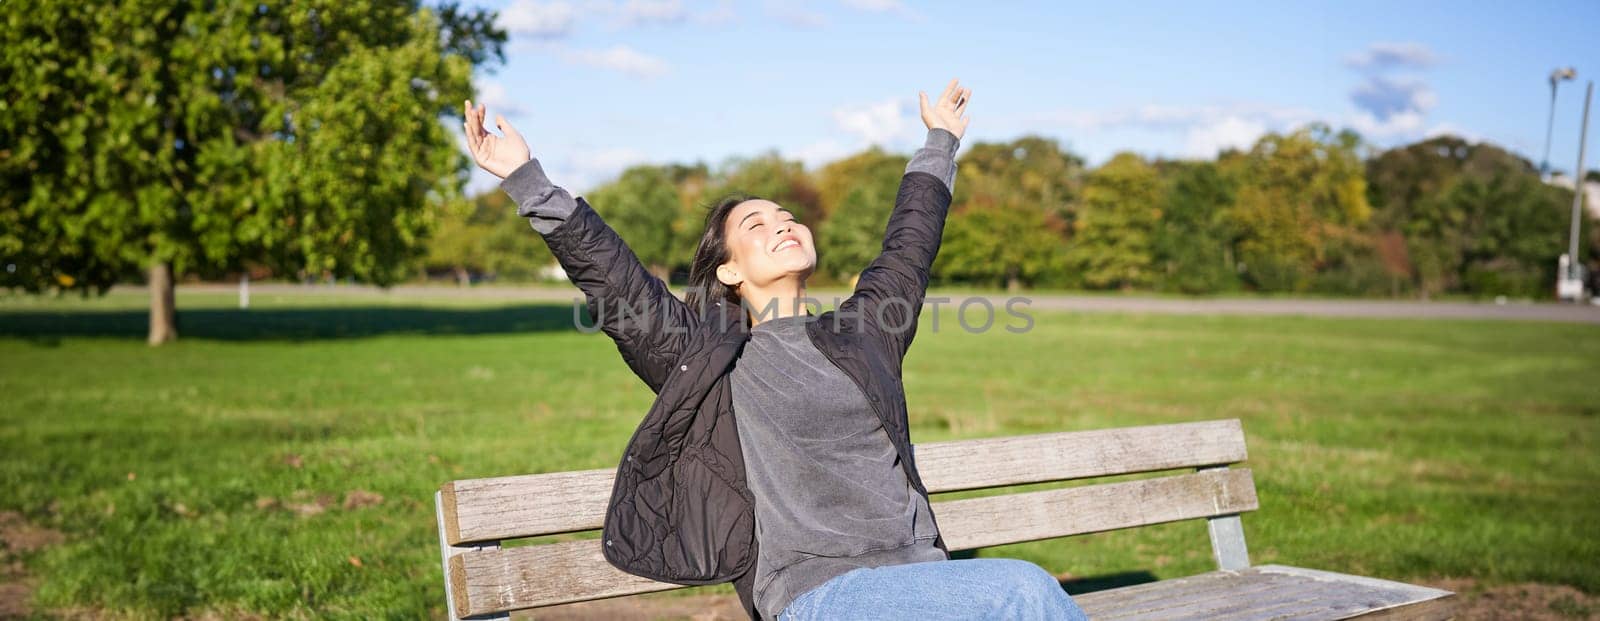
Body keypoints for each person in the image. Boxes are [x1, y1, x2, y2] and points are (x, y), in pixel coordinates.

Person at [464, 78, 1089, 621]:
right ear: (730, 273)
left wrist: (939, 143)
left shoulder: (863, 335)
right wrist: (527, 181)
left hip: (926, 580)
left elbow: (908, 248)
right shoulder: (708, 359)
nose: (783, 224)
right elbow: (612, 276)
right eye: (755, 226)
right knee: (1026, 592)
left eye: (786, 216)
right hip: (819, 597)